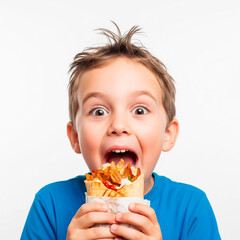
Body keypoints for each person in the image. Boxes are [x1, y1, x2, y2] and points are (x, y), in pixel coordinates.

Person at [21, 23, 221, 240]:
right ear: (75, 137)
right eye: (98, 112)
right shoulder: (49, 204)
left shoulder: (191, 207)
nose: (118, 125)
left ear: (168, 134)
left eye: (139, 110)